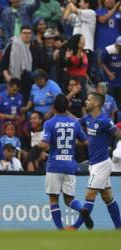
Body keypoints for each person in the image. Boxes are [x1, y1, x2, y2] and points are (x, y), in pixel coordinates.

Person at [39, 94, 93, 230]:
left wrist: (38, 145)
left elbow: (45, 145)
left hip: (54, 165)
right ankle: (81, 209)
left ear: (53, 107)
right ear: (68, 107)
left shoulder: (49, 123)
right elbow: (86, 142)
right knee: (69, 200)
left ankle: (60, 229)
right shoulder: (74, 123)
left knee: (53, 199)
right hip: (70, 165)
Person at [71, 92, 121, 230]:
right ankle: (119, 229)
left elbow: (118, 133)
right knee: (108, 197)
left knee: (89, 195)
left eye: (89, 100)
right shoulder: (88, 118)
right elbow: (75, 121)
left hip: (102, 164)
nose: (86, 102)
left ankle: (75, 227)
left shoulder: (104, 121)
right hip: (94, 164)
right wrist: (64, 113)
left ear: (97, 104)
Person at [100, 36, 121, 109]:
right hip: (111, 79)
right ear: (116, 45)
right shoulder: (109, 50)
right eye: (119, 46)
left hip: (120, 78)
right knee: (111, 98)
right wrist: (108, 73)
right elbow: (101, 61)